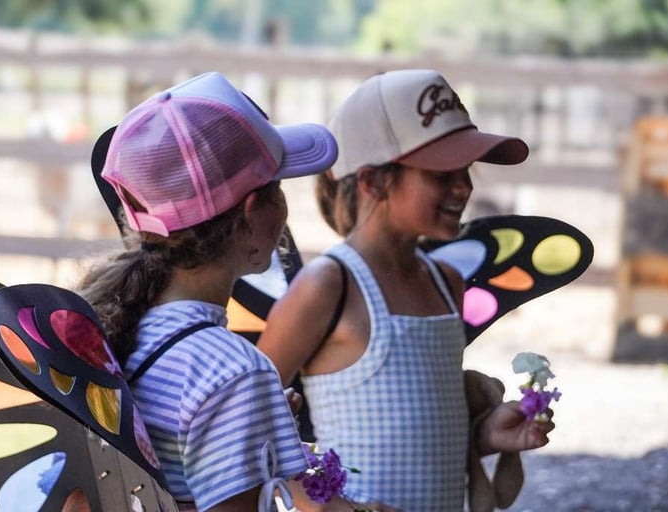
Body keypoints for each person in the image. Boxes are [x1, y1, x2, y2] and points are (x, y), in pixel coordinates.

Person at [76, 72, 379, 512]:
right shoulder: (232, 372)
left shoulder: (113, 327)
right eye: (277, 187)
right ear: (253, 214)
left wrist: (253, 423)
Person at [257, 69, 555, 512]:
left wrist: (485, 435)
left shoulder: (445, 283)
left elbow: (421, 432)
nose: (465, 186)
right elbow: (245, 426)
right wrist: (322, 503)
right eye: (442, 173)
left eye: (466, 169)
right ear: (373, 181)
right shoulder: (329, 286)